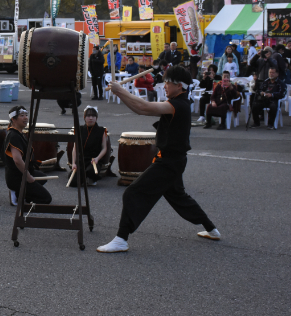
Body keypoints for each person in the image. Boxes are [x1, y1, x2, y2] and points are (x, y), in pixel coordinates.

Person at [97, 65, 220, 253]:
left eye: (167, 83)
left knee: (132, 193)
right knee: (179, 198)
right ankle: (212, 229)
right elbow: (140, 110)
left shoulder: (177, 105)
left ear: (179, 86)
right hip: (174, 161)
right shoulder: (178, 103)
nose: (164, 86)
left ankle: (121, 239)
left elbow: (144, 106)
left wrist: (120, 90)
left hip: (169, 163)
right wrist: (120, 94)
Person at [3, 106, 52, 206]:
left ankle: (22, 192)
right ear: (13, 119)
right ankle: (17, 192)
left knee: (42, 177)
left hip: (22, 173)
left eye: (26, 115)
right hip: (17, 176)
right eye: (22, 116)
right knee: (46, 199)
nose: (26, 118)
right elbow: (17, 160)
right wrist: (28, 176)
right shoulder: (13, 135)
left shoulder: (19, 133)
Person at [70, 106, 108, 186]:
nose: (91, 118)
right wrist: (73, 163)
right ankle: (87, 177)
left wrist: (97, 158)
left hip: (94, 160)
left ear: (96, 118)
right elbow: (75, 148)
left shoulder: (101, 130)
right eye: (88, 116)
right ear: (84, 117)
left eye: (93, 116)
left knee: (92, 171)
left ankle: (89, 177)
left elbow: (104, 148)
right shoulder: (79, 129)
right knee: (73, 182)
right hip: (82, 159)